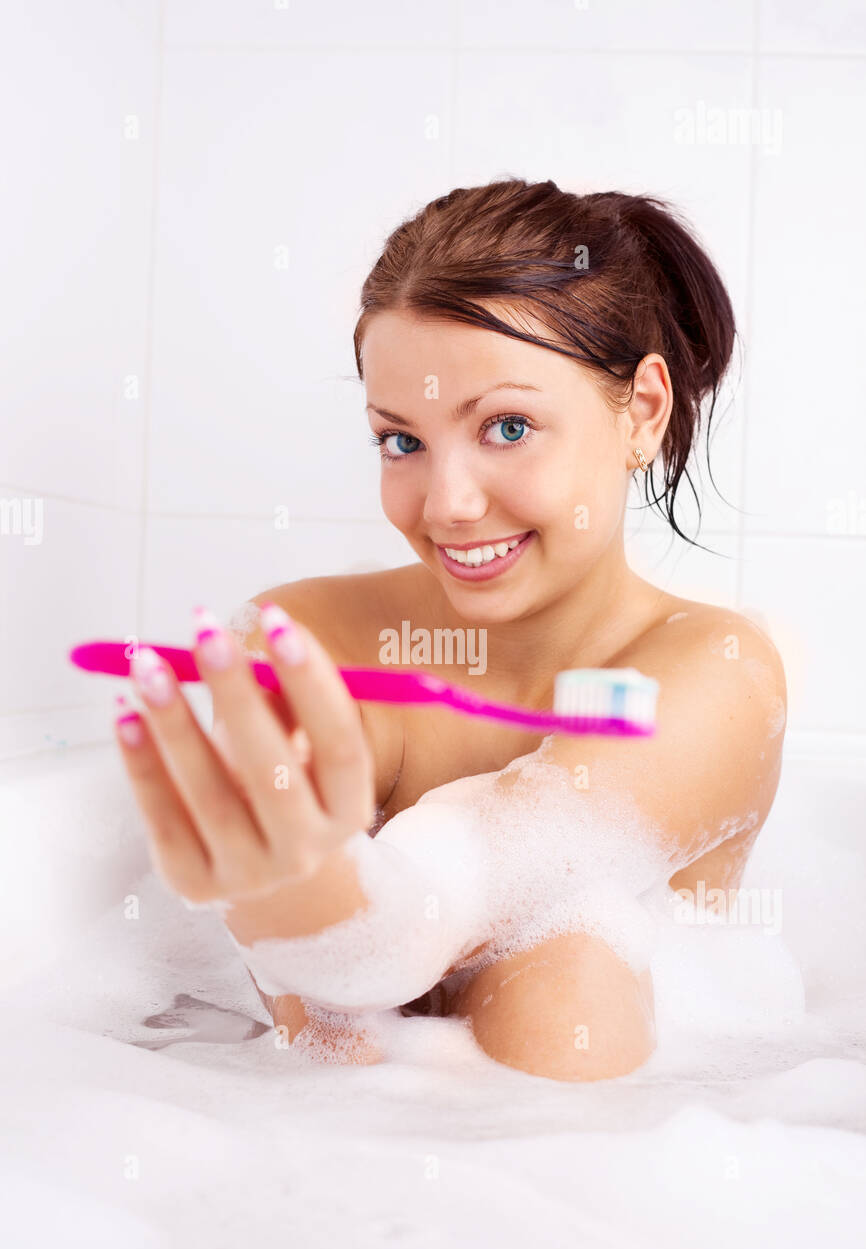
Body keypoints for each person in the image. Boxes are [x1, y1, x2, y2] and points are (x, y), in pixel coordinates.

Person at [114, 179, 786, 1081]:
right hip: (327, 1131)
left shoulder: (719, 675)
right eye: (401, 440)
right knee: (328, 1019)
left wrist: (312, 906)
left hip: (598, 1133)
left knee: (567, 981)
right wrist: (288, 903)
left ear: (643, 410)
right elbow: (327, 1002)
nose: (448, 505)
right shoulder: (311, 639)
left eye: (508, 427)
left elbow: (449, 898)